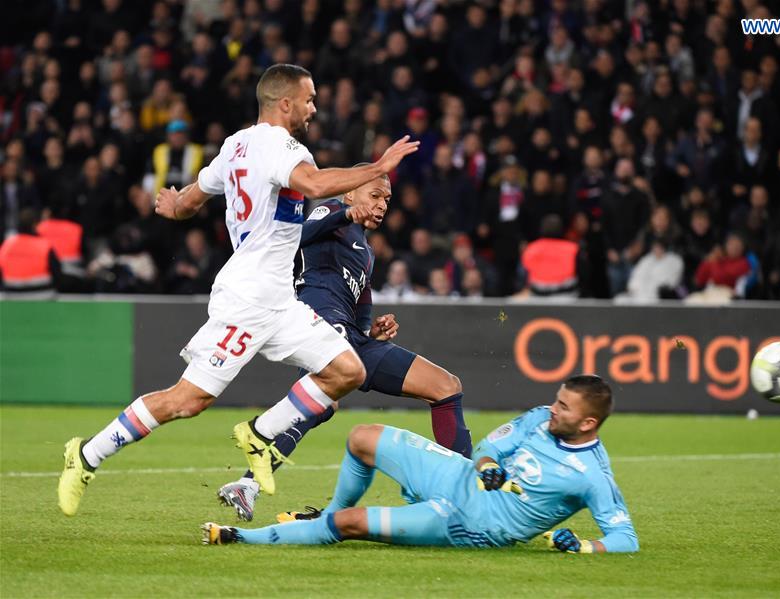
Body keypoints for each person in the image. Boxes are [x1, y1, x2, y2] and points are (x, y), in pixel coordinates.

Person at [57, 64, 420, 516]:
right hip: (248, 297)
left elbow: (194, 197)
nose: (313, 108)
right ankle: (86, 455)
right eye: (308, 99)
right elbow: (314, 184)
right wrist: (378, 166)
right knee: (186, 401)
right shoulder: (280, 146)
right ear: (284, 103)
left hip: (279, 300)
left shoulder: (235, 146)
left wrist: (174, 205)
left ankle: (260, 434)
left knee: (346, 371)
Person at [218, 170, 472, 521]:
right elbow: (296, 237)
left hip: (350, 338)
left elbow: (361, 312)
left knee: (446, 387)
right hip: (318, 326)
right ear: (350, 194)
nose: (381, 205)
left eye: (386, 200)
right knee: (322, 404)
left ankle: (465, 494)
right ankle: (248, 484)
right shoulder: (330, 212)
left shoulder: (366, 252)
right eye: (374, 196)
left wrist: (374, 334)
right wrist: (344, 214)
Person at [203, 375, 639, 555]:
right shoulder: (539, 417)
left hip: (470, 522)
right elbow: (490, 445)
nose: (552, 410)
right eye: (557, 400)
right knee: (362, 437)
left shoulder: (592, 477)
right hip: (456, 474)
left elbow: (625, 537)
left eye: (564, 408)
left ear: (587, 422)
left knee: (354, 524)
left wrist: (585, 547)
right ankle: (328, 513)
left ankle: (243, 537)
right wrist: (486, 462)